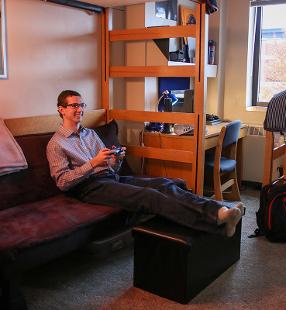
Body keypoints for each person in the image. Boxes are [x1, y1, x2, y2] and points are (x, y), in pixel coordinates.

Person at [46, 90, 244, 237]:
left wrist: (115, 160)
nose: (79, 109)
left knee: (166, 184)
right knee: (149, 196)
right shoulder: (56, 144)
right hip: (88, 188)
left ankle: (219, 210)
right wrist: (92, 163)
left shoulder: (90, 133)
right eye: (74, 106)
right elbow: (62, 182)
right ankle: (216, 224)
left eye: (82, 105)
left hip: (110, 178)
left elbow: (107, 166)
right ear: (61, 110)